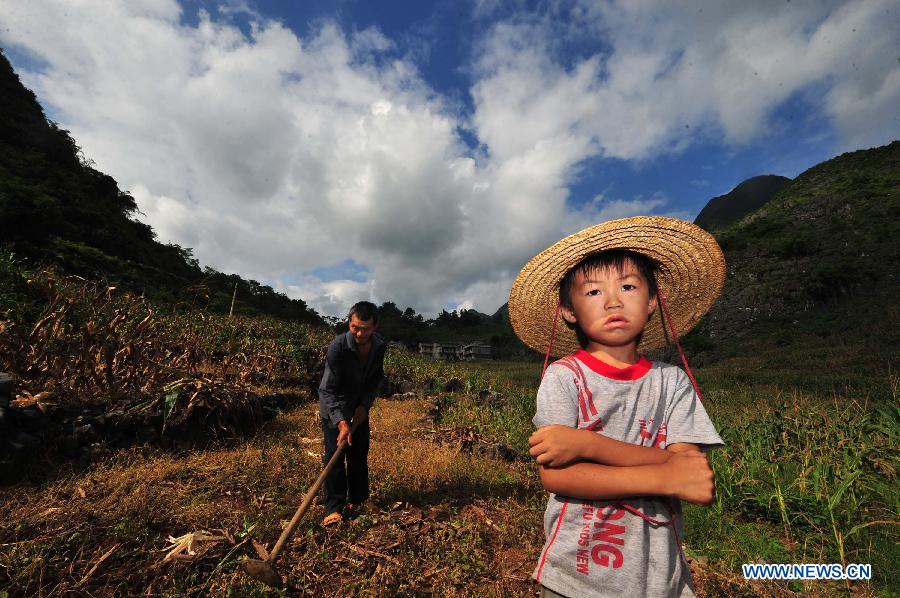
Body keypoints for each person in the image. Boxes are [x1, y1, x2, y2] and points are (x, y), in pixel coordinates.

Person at [507, 216, 726, 597]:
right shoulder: (565, 377)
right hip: (576, 577)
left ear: (652, 301)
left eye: (628, 286)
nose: (612, 301)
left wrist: (586, 445)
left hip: (661, 579)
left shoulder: (671, 381)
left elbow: (690, 469)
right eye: (593, 292)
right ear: (568, 311)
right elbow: (557, 477)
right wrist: (664, 475)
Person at [318, 301, 386, 526]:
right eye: (354, 327)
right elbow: (328, 389)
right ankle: (333, 508)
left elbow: (375, 380)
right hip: (334, 405)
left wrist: (364, 406)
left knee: (358, 454)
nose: (359, 333)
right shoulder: (338, 346)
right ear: (349, 323)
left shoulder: (379, 347)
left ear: (375, 327)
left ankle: (359, 499)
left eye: (365, 328)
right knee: (334, 456)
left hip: (358, 409)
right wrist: (340, 422)